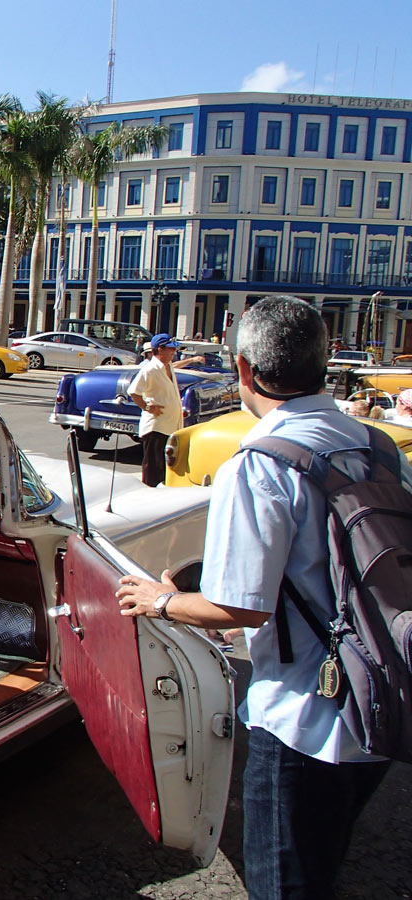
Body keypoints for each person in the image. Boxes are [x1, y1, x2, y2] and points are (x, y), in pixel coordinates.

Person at [116, 295, 411, 900]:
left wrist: (160, 600)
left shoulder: (260, 463)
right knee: (324, 859)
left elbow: (241, 608)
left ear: (245, 370)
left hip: (304, 719)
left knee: (284, 883)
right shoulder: (377, 446)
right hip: (379, 694)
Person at [127, 333, 205, 486]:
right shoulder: (150, 369)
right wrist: (148, 407)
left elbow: (176, 366)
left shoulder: (167, 366)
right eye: (170, 349)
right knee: (153, 468)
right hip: (156, 426)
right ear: (160, 349)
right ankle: (149, 495)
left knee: (165, 467)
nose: (173, 352)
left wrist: (192, 360)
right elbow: (133, 392)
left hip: (170, 426)